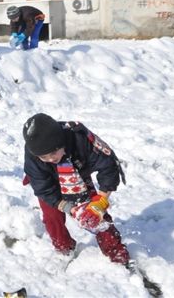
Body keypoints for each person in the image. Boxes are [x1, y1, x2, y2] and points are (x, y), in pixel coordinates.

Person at [22, 113, 130, 265]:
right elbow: (43, 189)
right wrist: (69, 208)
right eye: (44, 157)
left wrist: (101, 200)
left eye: (53, 153)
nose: (51, 159)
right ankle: (64, 247)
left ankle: (116, 252)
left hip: (76, 177)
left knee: (95, 216)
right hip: (50, 184)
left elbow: (108, 166)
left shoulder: (80, 139)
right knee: (52, 218)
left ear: (60, 143)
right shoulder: (33, 157)